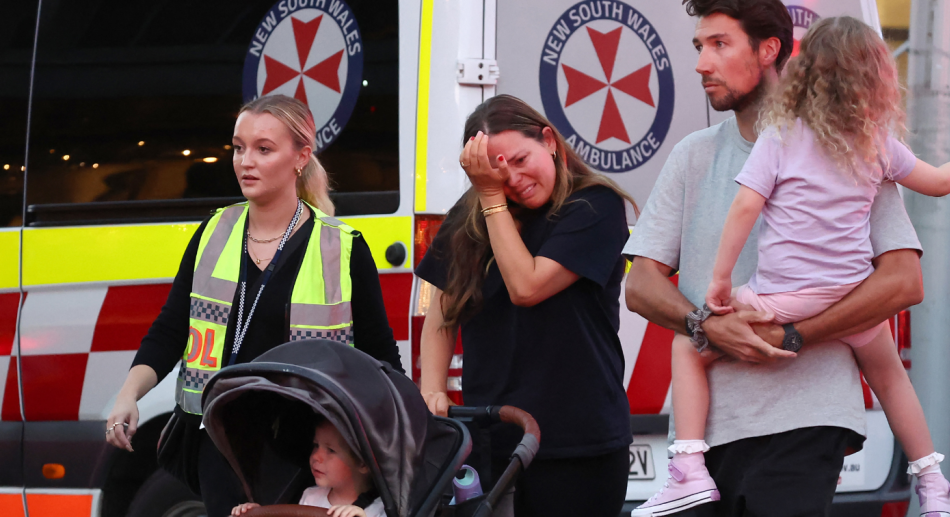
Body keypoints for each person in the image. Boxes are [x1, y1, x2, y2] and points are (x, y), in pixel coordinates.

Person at [641, 16, 950, 517]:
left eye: (719, 44)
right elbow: (941, 182)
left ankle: (685, 468)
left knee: (688, 345)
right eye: (700, 45)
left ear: (784, 59)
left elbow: (903, 279)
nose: (703, 62)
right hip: (846, 291)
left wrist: (733, 296)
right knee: (892, 376)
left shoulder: (781, 138)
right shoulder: (874, 145)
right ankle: (933, 481)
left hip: (803, 403)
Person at [105, 94, 403, 517]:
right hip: (220, 443)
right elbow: (172, 328)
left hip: (306, 452)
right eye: (239, 147)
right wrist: (128, 394)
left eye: (264, 149)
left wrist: (408, 436)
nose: (246, 161)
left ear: (301, 157)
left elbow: (379, 354)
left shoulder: (342, 246)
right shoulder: (213, 231)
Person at [415, 95, 637, 517]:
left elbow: (527, 286)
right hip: (494, 436)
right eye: (496, 171)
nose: (513, 179)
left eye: (520, 159)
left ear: (549, 141)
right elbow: (443, 313)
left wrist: (489, 195)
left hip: (579, 442)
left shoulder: (595, 205)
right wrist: (432, 390)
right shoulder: (472, 214)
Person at [231, 416, 386, 517]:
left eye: (330, 450)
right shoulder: (310, 497)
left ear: (363, 463)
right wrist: (257, 512)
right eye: (316, 445)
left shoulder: (379, 510)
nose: (315, 456)